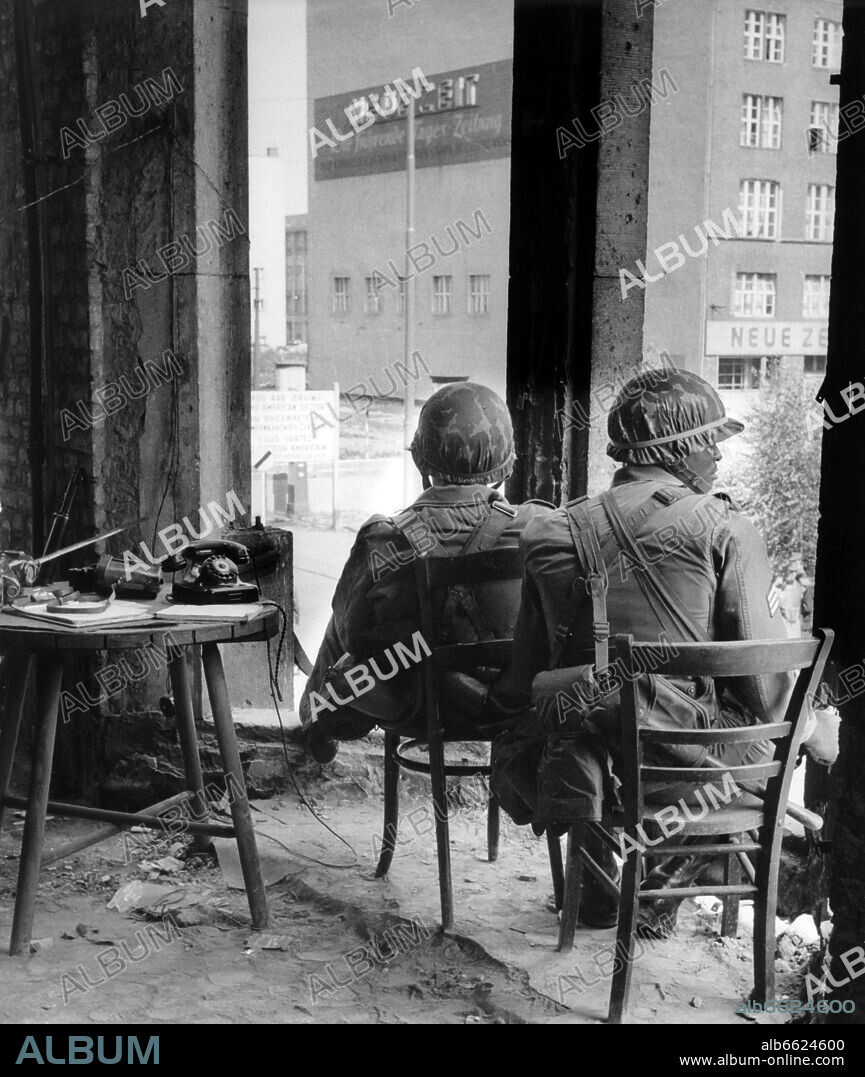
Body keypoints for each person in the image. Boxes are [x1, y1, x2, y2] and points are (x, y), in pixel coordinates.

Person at [482, 367, 838, 933]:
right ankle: (661, 887)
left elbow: (525, 675)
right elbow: (767, 691)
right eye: (712, 445)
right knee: (772, 741)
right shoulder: (726, 529)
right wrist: (816, 730)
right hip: (680, 768)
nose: (718, 460)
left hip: (586, 764)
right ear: (679, 448)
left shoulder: (552, 531)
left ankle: (597, 891)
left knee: (579, 713)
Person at [299, 382, 552, 763]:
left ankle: (316, 720)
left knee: (345, 619)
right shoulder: (539, 527)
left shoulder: (383, 537)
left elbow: (356, 636)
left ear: (420, 461)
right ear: (507, 464)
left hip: (414, 710)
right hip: (508, 706)